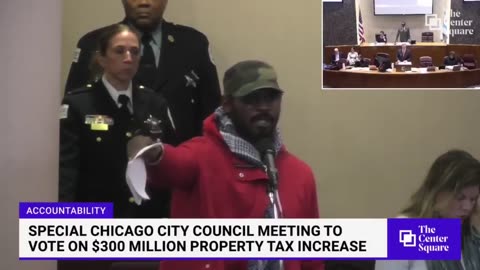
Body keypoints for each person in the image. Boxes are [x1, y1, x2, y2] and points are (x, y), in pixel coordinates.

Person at [128, 60, 325, 270]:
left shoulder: (299, 174)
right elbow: (169, 167)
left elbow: (311, 260)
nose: (264, 107)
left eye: (271, 98)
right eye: (251, 99)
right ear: (227, 104)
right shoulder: (200, 156)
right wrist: (153, 152)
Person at [59, 24, 177, 220]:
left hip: (146, 217)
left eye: (135, 52)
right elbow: (66, 170)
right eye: (119, 51)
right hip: (96, 216)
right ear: (102, 58)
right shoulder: (79, 104)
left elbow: (172, 158)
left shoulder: (155, 103)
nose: (128, 58)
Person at [65, 0, 221, 143]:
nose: (144, 2)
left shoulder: (193, 44)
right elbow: (74, 112)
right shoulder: (93, 44)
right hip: (109, 161)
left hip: (178, 162)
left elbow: (212, 114)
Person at [375, 149, 480, 270]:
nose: (467, 207)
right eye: (460, 198)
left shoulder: (470, 236)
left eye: (473, 199)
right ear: (436, 191)